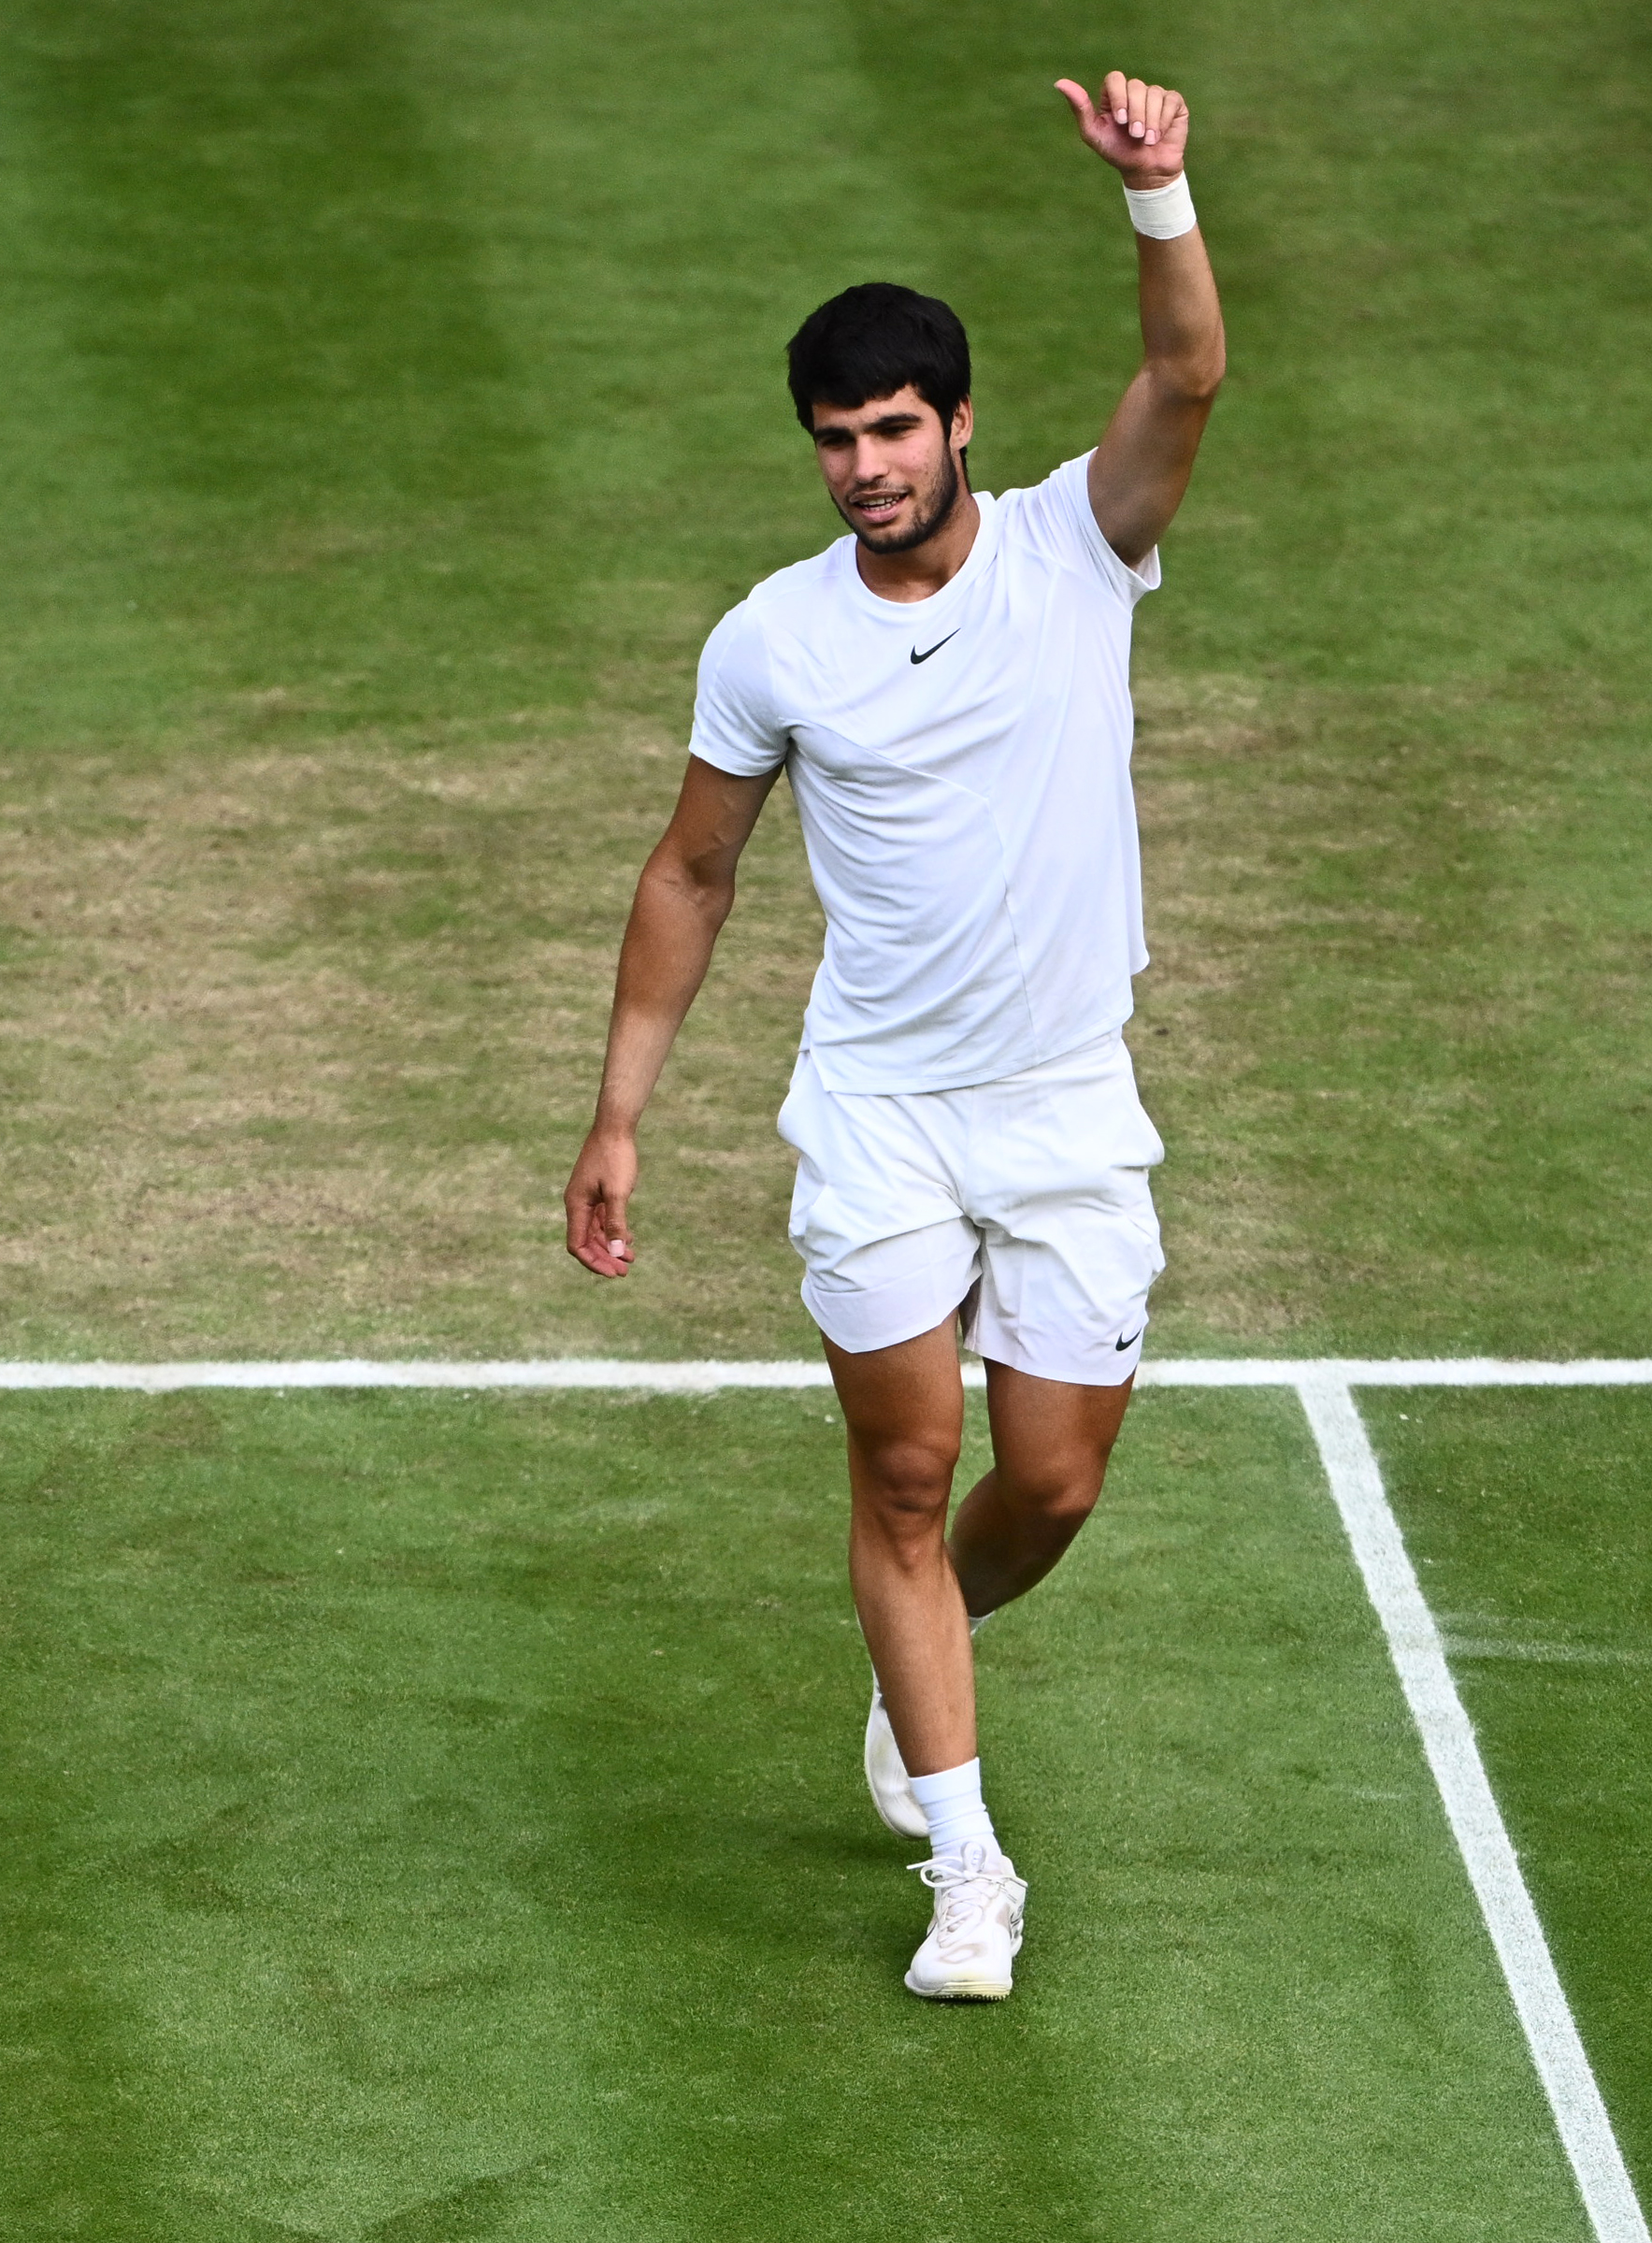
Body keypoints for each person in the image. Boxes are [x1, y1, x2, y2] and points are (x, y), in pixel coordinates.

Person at [560, 72, 1225, 2002]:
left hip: (1063, 1102)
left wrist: (1158, 195)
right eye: (833, 439)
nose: (862, 465)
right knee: (905, 1476)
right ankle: (967, 1859)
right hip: (875, 1115)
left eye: (890, 429)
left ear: (956, 429)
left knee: (1055, 1481)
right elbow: (692, 872)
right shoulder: (770, 638)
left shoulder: (1072, 551)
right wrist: (618, 1115)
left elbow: (1181, 383)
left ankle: (918, 1648)